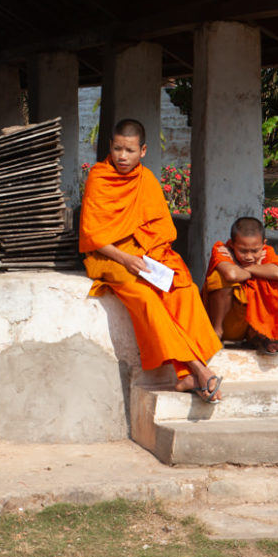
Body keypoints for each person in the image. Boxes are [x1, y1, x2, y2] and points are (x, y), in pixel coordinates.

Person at [80, 119, 223, 402]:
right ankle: (197, 368)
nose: (122, 156)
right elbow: (92, 233)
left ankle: (185, 378)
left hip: (146, 256)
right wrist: (126, 258)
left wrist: (147, 257)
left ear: (143, 151)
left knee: (185, 290)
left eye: (130, 150)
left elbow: (161, 229)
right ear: (110, 146)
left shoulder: (146, 180)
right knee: (147, 300)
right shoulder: (99, 177)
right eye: (118, 148)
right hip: (110, 258)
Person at [202, 216, 278, 354]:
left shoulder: (267, 252)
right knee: (219, 277)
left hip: (252, 324)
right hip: (228, 321)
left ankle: (260, 336)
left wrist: (241, 266)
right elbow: (232, 275)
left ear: (263, 244)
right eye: (242, 251)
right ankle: (217, 333)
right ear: (232, 245)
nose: (249, 257)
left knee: (270, 281)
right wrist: (257, 269)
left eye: (254, 251)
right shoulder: (221, 249)